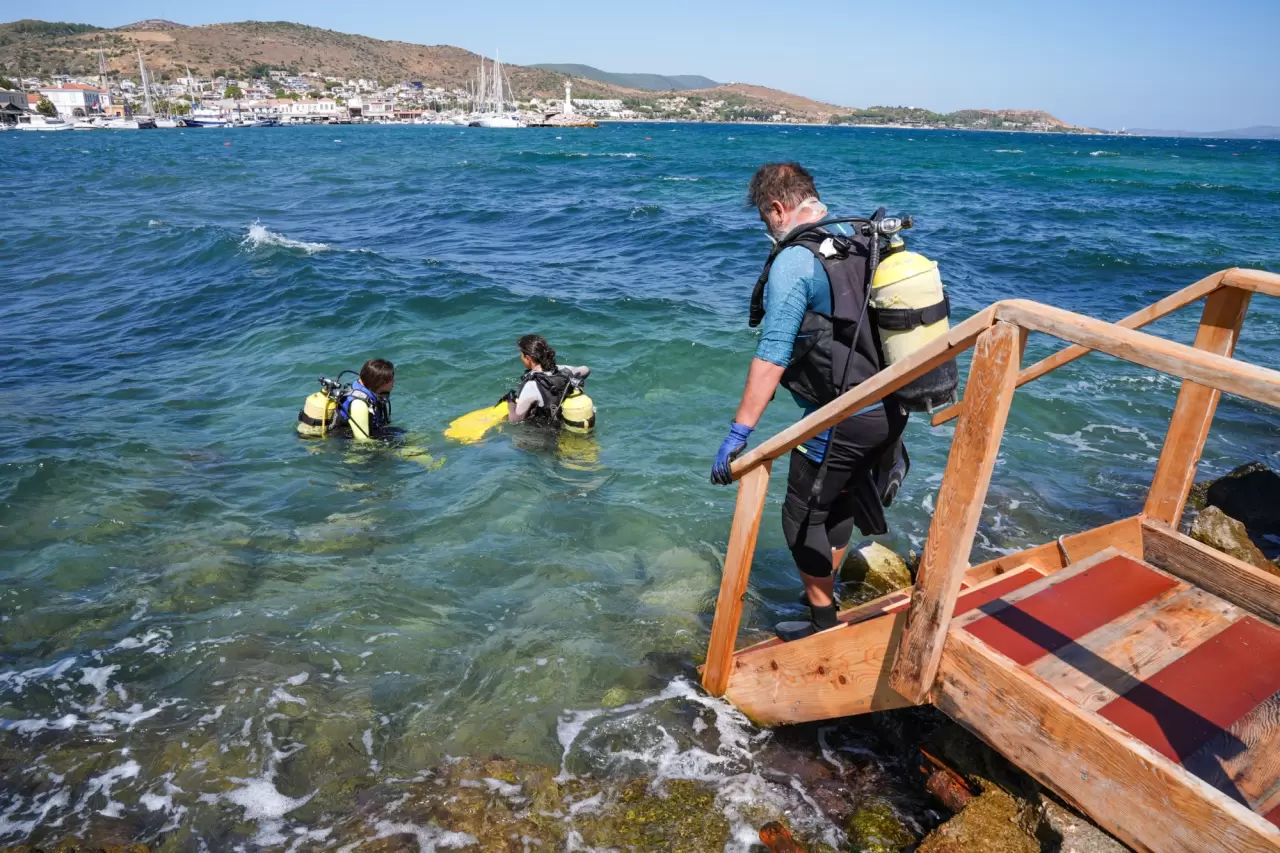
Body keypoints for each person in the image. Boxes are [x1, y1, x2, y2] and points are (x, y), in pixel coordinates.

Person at [710, 163, 909, 642]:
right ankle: (821, 591)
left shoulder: (796, 261)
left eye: (764, 220)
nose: (767, 230)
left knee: (799, 516)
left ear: (778, 209)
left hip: (842, 416)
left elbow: (773, 354)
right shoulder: (858, 239)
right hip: (890, 406)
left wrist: (739, 434)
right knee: (833, 503)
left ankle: (822, 624)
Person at [505, 335, 595, 432]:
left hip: (547, 436)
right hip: (568, 424)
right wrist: (560, 369)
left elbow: (515, 420)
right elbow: (586, 370)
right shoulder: (564, 371)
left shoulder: (531, 385)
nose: (521, 358)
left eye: (521, 355)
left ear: (528, 358)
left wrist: (510, 402)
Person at [296, 358, 396, 443]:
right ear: (381, 383)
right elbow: (362, 441)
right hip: (341, 441)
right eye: (392, 379)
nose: (394, 381)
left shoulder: (367, 389)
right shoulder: (359, 405)